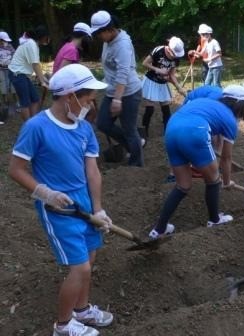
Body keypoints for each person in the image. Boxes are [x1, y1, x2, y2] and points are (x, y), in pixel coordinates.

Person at [8, 64, 113, 336]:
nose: (90, 105)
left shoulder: (84, 130)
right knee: (79, 267)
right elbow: (16, 170)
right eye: (88, 99)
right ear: (70, 97)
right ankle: (63, 326)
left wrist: (98, 209)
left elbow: (92, 170)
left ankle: (82, 310)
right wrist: (46, 194)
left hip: (84, 203)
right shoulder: (36, 127)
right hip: (59, 208)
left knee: (90, 259)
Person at [147, 83, 244, 240]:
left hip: (171, 129)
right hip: (196, 131)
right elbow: (226, 159)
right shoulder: (230, 121)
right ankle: (214, 220)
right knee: (213, 181)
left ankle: (159, 229)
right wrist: (226, 181)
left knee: (183, 185)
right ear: (240, 105)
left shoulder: (208, 102)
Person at [91, 10, 143, 167]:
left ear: (109, 29)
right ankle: (133, 146)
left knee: (129, 129)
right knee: (103, 123)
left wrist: (117, 100)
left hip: (128, 93)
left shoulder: (122, 45)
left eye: (100, 33)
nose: (99, 37)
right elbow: (110, 70)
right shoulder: (108, 42)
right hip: (113, 90)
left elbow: (123, 73)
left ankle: (136, 163)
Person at [140, 36, 186, 142]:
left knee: (166, 109)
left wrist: (178, 87)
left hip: (163, 84)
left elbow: (172, 75)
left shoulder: (176, 59)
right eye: (173, 54)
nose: (175, 56)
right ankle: (143, 134)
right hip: (151, 81)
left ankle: (168, 133)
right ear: (169, 49)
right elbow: (144, 63)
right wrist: (158, 70)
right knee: (150, 109)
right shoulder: (159, 50)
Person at [8, 25, 50, 121]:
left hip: (22, 74)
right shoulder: (31, 44)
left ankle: (33, 122)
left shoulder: (33, 44)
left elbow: (36, 64)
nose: (48, 39)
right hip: (17, 74)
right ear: (43, 36)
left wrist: (43, 78)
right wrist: (42, 81)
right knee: (25, 102)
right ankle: (28, 126)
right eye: (47, 37)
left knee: (35, 99)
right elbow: (35, 65)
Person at [0, 31, 16, 123]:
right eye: (3, 41)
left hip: (10, 69)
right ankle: (5, 103)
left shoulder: (9, 46)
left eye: (6, 41)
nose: (5, 42)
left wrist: (11, 60)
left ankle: (16, 103)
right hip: (1, 70)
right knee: (3, 86)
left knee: (13, 86)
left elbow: (15, 55)